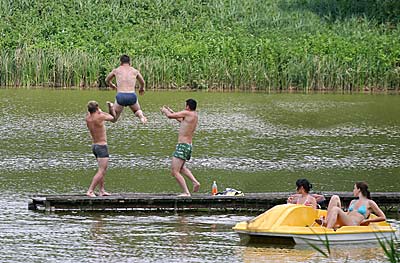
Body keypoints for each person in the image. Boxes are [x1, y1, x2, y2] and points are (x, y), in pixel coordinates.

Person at [160, 99, 201, 196]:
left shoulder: (187, 113)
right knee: (181, 168)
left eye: (185, 105)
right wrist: (172, 112)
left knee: (175, 171)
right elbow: (181, 120)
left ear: (188, 106)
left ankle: (186, 192)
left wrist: (165, 111)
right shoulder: (194, 115)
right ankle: (195, 182)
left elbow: (170, 116)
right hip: (188, 146)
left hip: (182, 146)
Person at [316, 181, 386, 229]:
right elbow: (347, 214)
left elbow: (383, 217)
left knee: (335, 209)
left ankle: (328, 230)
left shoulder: (369, 202)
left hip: (354, 224)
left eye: (354, 188)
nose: (353, 190)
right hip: (347, 221)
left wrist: (367, 221)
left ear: (359, 189)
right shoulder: (353, 202)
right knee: (335, 197)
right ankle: (327, 222)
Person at [105, 54, 147, 124]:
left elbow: (107, 80)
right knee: (137, 111)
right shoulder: (135, 71)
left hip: (121, 96)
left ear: (120, 62)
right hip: (132, 95)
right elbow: (143, 82)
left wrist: (112, 85)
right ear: (129, 62)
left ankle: (111, 107)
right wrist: (141, 88)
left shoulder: (116, 70)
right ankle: (142, 117)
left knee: (113, 119)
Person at [85, 101, 114, 197]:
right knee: (102, 170)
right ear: (97, 108)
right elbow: (112, 117)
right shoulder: (100, 116)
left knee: (101, 169)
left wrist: (98, 111)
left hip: (94, 146)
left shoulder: (88, 118)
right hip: (102, 146)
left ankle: (102, 190)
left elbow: (90, 113)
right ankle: (90, 190)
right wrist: (110, 107)